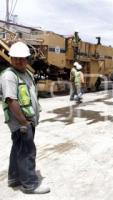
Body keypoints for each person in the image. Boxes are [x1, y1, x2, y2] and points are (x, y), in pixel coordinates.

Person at [0, 42, 50, 194]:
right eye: (15, 58)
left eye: (22, 58)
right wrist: (24, 122)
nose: (19, 61)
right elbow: (11, 100)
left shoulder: (25, 73)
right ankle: (29, 184)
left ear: (27, 59)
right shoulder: (10, 75)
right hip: (21, 122)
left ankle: (14, 178)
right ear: (11, 58)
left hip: (27, 120)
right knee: (27, 151)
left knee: (18, 149)